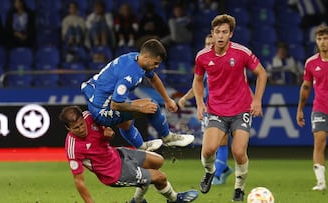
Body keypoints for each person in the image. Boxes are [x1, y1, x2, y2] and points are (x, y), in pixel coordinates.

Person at [192, 14, 267, 201]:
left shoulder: (242, 52)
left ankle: (239, 189)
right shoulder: (202, 57)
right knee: (208, 151)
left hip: (241, 110)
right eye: (217, 32)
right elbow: (198, 80)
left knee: (239, 152)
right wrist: (200, 103)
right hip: (216, 110)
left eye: (224, 32)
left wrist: (256, 100)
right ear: (212, 33)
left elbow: (262, 74)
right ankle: (210, 172)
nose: (220, 36)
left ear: (230, 34)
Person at [59, 105, 199, 203]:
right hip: (115, 173)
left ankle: (137, 200)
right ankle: (174, 199)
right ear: (67, 128)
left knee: (158, 161)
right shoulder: (73, 147)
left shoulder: (90, 116)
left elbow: (108, 132)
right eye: (76, 128)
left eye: (82, 124)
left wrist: (109, 134)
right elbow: (79, 181)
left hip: (118, 154)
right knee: (160, 177)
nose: (81, 129)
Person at [81, 39, 195, 151]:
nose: (157, 66)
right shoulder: (129, 75)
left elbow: (154, 78)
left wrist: (167, 99)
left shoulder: (135, 58)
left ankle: (142, 147)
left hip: (98, 101)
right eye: (156, 63)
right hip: (103, 111)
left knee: (126, 123)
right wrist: (140, 108)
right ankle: (168, 138)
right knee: (152, 106)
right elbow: (116, 105)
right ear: (146, 57)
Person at [178, 34, 233, 186]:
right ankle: (224, 168)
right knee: (211, 145)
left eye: (211, 43)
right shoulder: (204, 64)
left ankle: (217, 173)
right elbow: (197, 85)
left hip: (223, 108)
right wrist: (185, 98)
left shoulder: (224, 62)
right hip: (208, 109)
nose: (208, 46)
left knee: (221, 142)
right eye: (206, 43)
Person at [296, 24, 328, 191]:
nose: (322, 42)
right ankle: (321, 183)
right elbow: (306, 87)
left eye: (325, 38)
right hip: (320, 108)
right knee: (319, 141)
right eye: (319, 39)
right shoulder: (311, 63)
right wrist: (300, 109)